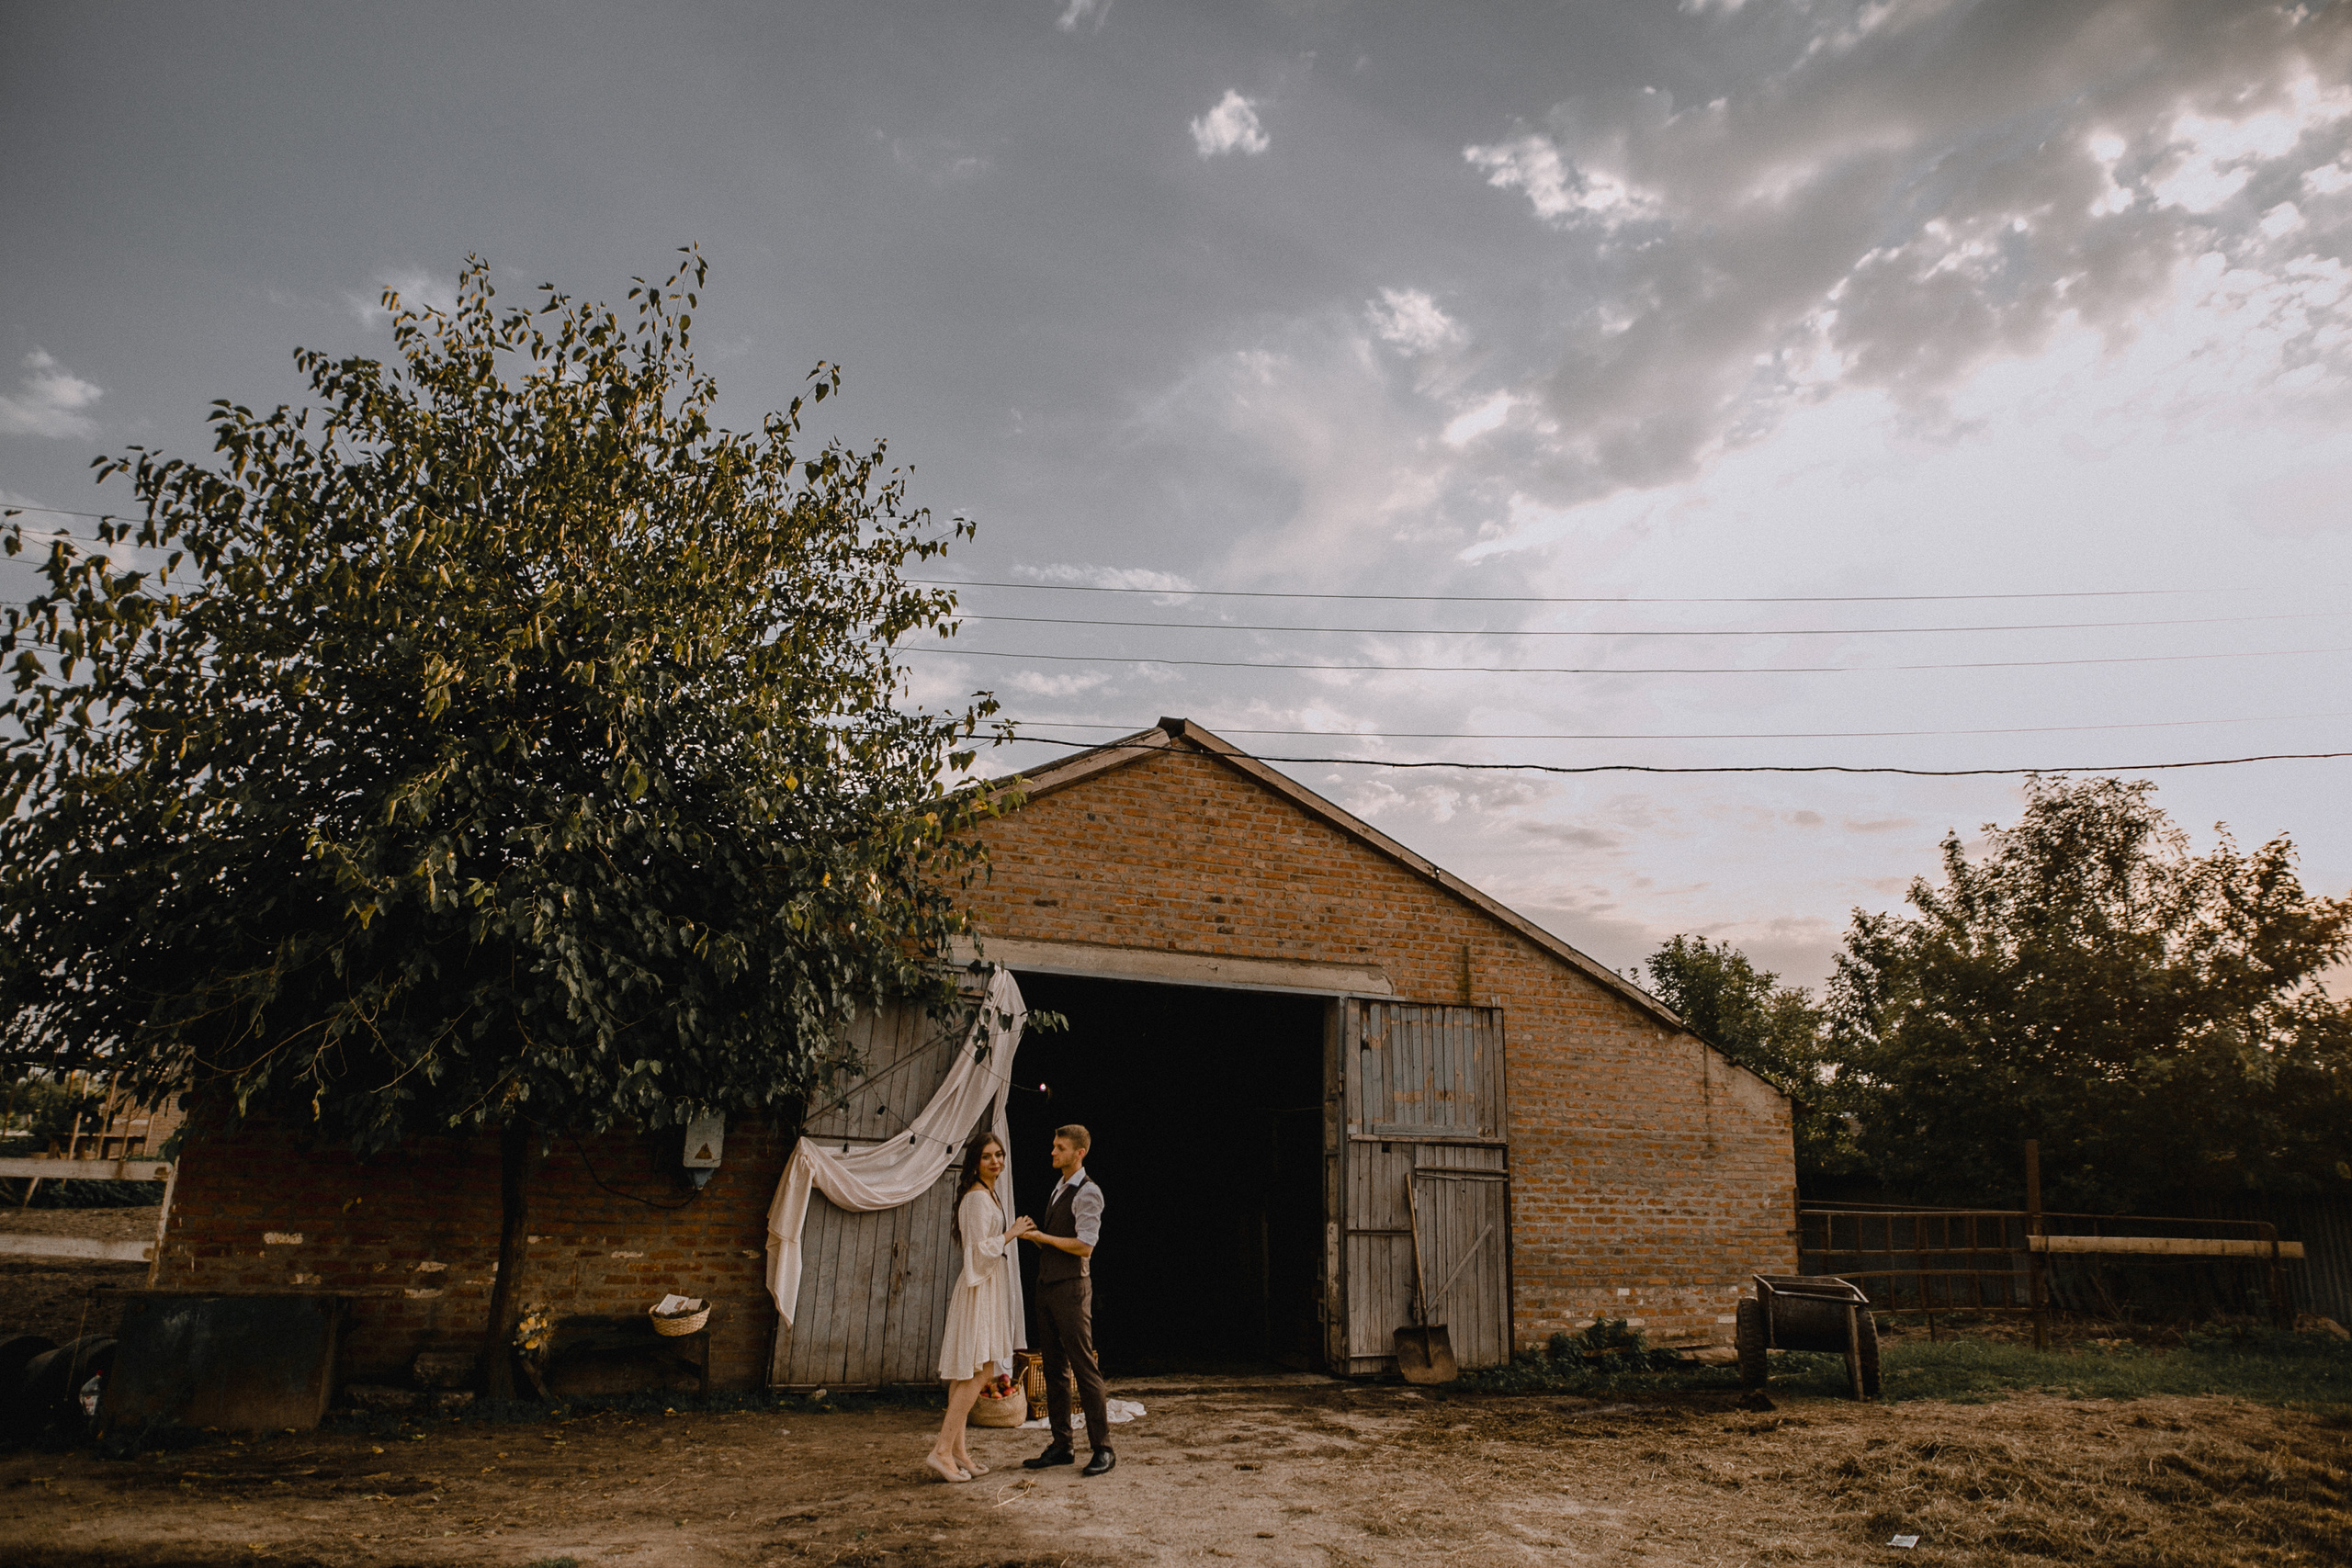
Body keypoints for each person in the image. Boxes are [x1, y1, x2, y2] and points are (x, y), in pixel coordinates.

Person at [927, 1132, 1032, 1483]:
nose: (996, 1161)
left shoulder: (989, 1194)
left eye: (1000, 1155)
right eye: (987, 1156)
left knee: (970, 1372)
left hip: (989, 1285)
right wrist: (1010, 1234)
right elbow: (975, 1251)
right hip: (978, 1287)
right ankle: (941, 1451)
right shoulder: (975, 1199)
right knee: (980, 1371)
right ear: (975, 1162)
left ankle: (958, 1452)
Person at [1015, 1123, 1113, 1476]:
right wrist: (1033, 1236)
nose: (1053, 1152)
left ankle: (1103, 1448)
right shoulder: (1059, 1188)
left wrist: (1044, 1236)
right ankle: (1062, 1445)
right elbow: (1060, 1240)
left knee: (1084, 1368)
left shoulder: (1088, 1192)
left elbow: (1085, 1246)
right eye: (1054, 1146)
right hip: (1047, 1286)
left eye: (1060, 1147)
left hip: (1072, 1288)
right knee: (1054, 1368)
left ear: (1079, 1153)